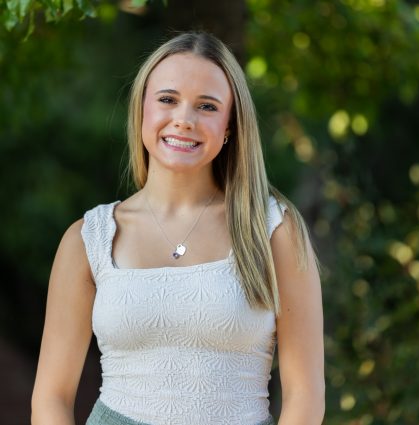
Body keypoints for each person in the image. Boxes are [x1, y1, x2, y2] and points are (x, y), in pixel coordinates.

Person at [31, 32, 325, 425]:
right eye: (168, 99)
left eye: (207, 106)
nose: (184, 120)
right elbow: (51, 397)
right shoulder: (89, 239)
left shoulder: (273, 230)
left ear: (230, 125)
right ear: (142, 109)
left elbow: (306, 395)